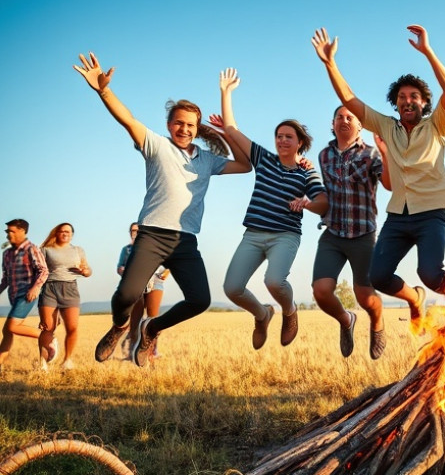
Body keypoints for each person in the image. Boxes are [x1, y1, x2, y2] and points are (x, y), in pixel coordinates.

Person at [73, 52, 251, 367]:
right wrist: (104, 91)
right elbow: (127, 119)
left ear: (198, 129)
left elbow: (245, 164)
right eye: (178, 123)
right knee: (126, 296)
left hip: (185, 240)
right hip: (152, 235)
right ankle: (119, 326)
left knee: (200, 300)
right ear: (169, 125)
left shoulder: (208, 160)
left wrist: (227, 132)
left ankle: (152, 329)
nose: (184, 128)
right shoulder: (157, 145)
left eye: (191, 125)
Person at [311, 25, 445, 328]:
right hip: (398, 216)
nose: (408, 100)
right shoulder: (386, 126)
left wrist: (427, 51)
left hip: (431, 213)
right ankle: (415, 299)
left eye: (414, 96)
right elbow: (350, 99)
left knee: (430, 273)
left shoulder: (437, 125)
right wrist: (330, 63)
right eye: (402, 96)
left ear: (423, 102)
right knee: (377, 276)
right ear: (396, 102)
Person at [213, 68, 328, 350]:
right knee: (232, 288)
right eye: (279, 136)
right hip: (253, 234)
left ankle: (290, 311)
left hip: (285, 236)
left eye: (288, 136)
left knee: (274, 281)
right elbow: (231, 129)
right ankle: (263, 314)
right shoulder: (263, 159)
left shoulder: (307, 172)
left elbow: (323, 202)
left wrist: (307, 203)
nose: (282, 140)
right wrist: (226, 92)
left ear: (300, 142)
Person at [313, 107, 388, 359]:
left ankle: (377, 321)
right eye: (339, 117)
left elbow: (388, 183)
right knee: (321, 290)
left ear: (360, 126)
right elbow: (320, 187)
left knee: (365, 296)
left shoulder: (371, 153)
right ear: (333, 123)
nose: (344, 120)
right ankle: (347, 320)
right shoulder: (324, 155)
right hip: (333, 233)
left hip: (363, 233)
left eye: (349, 117)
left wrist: (386, 154)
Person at [38, 223, 91, 371]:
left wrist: (85, 271)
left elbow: (87, 270)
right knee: (47, 327)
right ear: (56, 233)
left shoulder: (78, 250)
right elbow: (38, 269)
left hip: (70, 288)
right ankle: (42, 363)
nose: (65, 234)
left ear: (72, 234)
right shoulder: (45, 249)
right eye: (62, 231)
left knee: (72, 328)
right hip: (50, 288)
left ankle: (67, 361)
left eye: (68, 232)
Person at [0, 219, 48, 374]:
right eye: (7, 231)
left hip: (27, 294)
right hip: (14, 296)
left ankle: (47, 338)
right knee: (7, 331)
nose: (8, 235)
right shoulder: (6, 254)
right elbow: (6, 278)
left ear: (22, 231)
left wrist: (35, 287)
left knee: (12, 327)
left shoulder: (31, 249)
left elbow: (43, 270)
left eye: (12, 231)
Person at [117, 223, 169, 360]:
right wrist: (123, 271)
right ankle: (132, 351)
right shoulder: (126, 250)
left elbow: (167, 262)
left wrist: (167, 272)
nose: (135, 233)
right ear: (130, 233)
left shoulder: (155, 246)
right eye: (133, 230)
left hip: (155, 283)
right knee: (135, 320)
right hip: (136, 284)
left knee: (153, 319)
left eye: (138, 230)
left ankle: (152, 351)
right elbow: (120, 267)